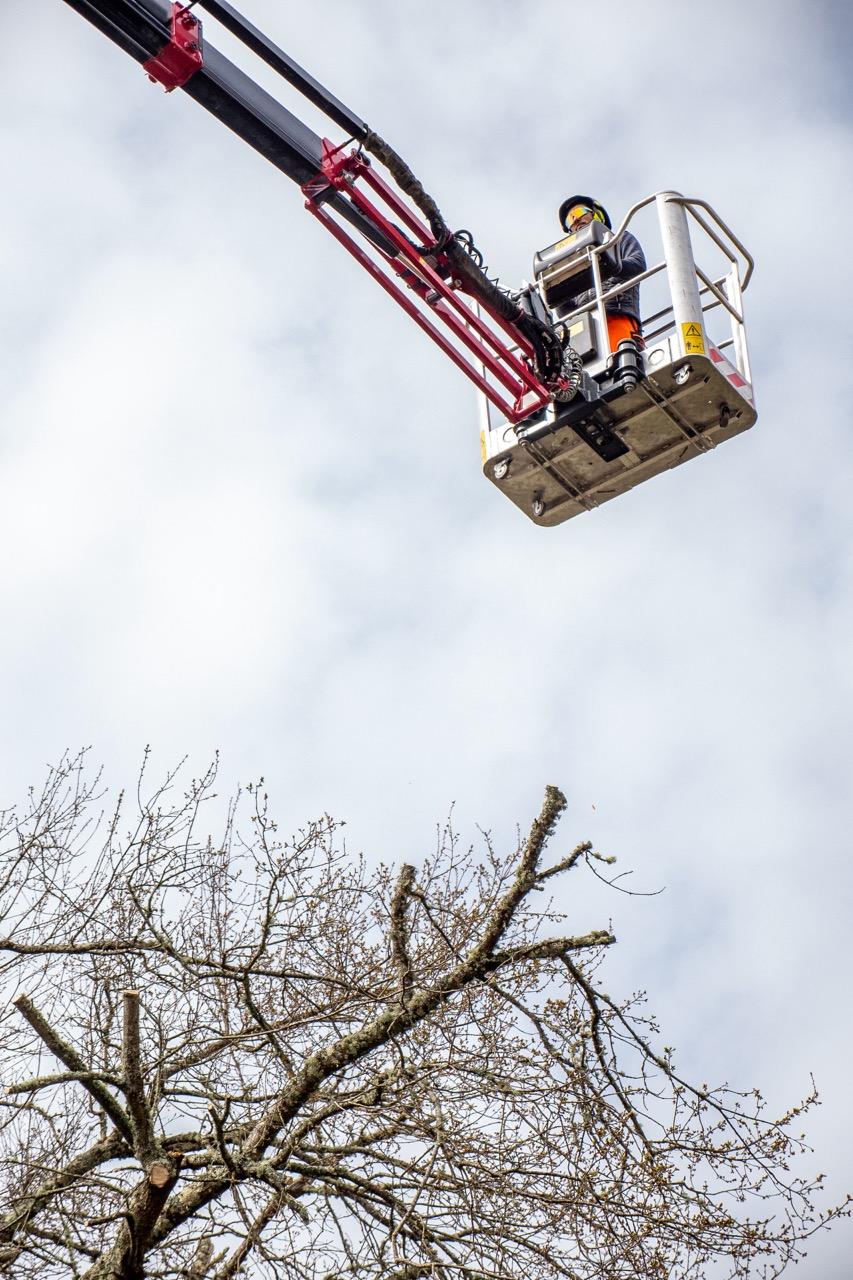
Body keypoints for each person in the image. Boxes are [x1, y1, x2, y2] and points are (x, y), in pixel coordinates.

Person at [556, 195, 646, 354]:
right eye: (570, 219)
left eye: (580, 212)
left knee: (622, 360)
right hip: (584, 329)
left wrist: (607, 263)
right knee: (586, 366)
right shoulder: (572, 263)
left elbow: (637, 264)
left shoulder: (618, 239)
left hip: (616, 314)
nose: (576, 220)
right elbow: (564, 309)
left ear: (596, 214)